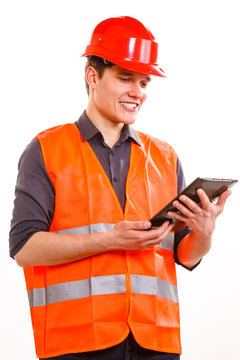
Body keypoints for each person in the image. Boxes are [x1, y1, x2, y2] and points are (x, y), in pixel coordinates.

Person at [9, 16, 231, 360]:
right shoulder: (45, 150)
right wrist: (108, 240)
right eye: (125, 78)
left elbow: (183, 255)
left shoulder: (165, 157)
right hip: (77, 345)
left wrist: (204, 233)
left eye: (144, 82)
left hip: (156, 341)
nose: (137, 93)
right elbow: (24, 248)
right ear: (93, 76)